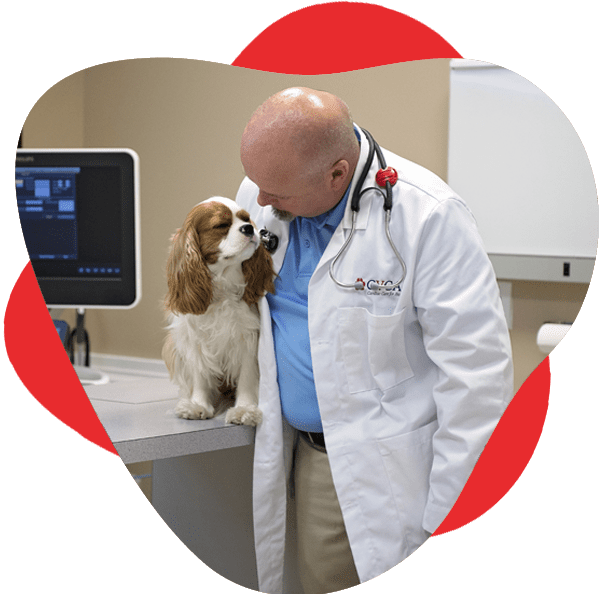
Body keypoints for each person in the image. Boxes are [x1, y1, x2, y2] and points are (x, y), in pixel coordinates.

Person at [236, 87, 513, 594]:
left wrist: (454, 514)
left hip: (385, 467)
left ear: (337, 174)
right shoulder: (269, 189)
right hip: (293, 449)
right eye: (255, 183)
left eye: (276, 191)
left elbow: (477, 380)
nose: (260, 201)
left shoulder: (428, 216)